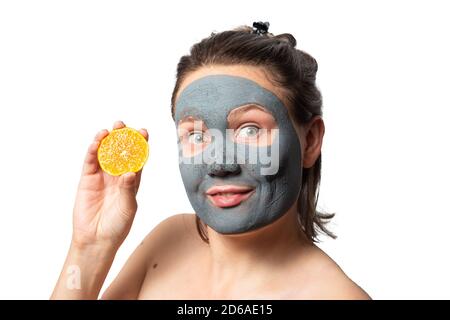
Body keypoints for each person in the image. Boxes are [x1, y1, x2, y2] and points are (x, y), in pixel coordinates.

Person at [51, 22, 371, 300]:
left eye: (249, 129)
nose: (219, 164)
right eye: (196, 135)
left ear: (310, 141)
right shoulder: (170, 239)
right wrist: (90, 246)